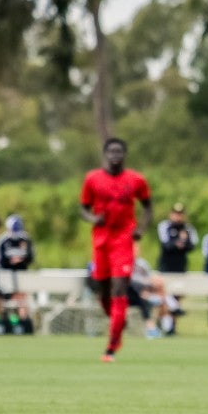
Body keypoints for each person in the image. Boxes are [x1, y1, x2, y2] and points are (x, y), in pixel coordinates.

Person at [80, 137, 153, 362]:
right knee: (103, 292)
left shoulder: (136, 180)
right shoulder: (92, 179)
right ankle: (118, 322)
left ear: (124, 154)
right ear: (105, 154)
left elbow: (148, 205)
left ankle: (111, 347)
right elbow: (83, 208)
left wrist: (141, 228)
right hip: (101, 240)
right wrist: (93, 218)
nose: (115, 156)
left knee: (119, 288)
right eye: (111, 151)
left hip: (123, 239)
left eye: (119, 152)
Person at [156, 202, 197, 335]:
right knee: (164, 296)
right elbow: (166, 245)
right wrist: (179, 242)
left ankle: (172, 327)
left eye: (180, 214)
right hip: (166, 267)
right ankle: (162, 325)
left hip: (180, 267)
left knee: (177, 297)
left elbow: (191, 245)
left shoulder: (188, 228)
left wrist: (181, 243)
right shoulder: (164, 226)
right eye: (175, 214)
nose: (177, 217)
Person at [0, 214, 35, 334]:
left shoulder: (25, 239)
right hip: (6, 277)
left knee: (22, 299)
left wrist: (21, 260)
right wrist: (11, 261)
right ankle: (2, 324)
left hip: (22, 276)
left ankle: (23, 324)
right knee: (2, 300)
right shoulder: (3, 241)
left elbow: (30, 257)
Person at [130, 241, 173, 339]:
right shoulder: (123, 262)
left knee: (159, 285)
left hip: (144, 292)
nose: (135, 251)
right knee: (138, 292)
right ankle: (170, 305)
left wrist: (154, 282)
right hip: (128, 295)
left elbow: (150, 278)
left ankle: (165, 305)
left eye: (137, 249)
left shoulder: (142, 264)